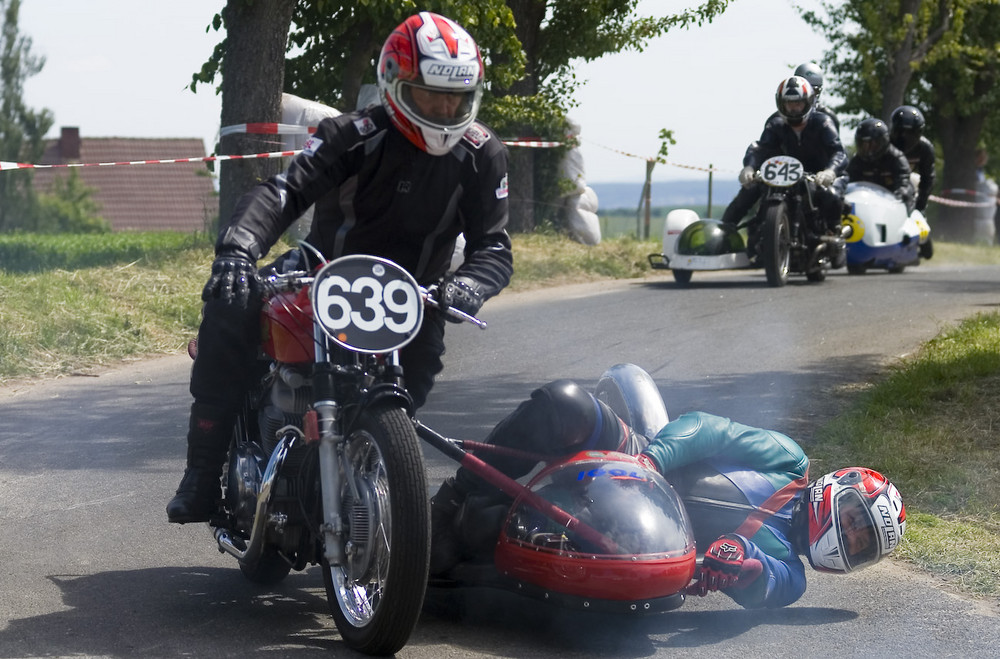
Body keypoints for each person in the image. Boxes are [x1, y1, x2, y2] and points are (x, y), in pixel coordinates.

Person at [166, 12, 514, 524]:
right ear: (395, 86)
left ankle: (366, 478)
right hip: (323, 271)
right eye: (429, 96)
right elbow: (284, 193)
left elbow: (494, 247)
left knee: (405, 399)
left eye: (455, 99)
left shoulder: (483, 155)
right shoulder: (352, 135)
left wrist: (468, 284)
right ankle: (201, 473)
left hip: (414, 295)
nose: (444, 110)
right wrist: (238, 250)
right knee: (229, 304)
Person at [430, 380, 906, 609]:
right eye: (855, 521)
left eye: (861, 544)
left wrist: (737, 561)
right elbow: (707, 429)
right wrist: (652, 462)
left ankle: (466, 555)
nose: (848, 536)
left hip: (646, 543)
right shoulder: (789, 460)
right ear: (837, 489)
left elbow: (765, 578)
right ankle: (448, 503)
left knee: (488, 530)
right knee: (565, 404)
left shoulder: (795, 580)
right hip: (640, 461)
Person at [721, 76, 848, 236]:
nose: (794, 108)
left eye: (798, 103)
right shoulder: (775, 124)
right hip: (786, 176)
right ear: (781, 104)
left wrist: (830, 171)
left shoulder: (823, 123)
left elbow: (838, 152)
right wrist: (749, 166)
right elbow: (760, 147)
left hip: (820, 175)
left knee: (830, 195)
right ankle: (723, 233)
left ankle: (833, 237)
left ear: (807, 102)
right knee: (750, 190)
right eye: (789, 104)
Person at [847, 118, 916, 215]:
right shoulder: (856, 161)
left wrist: (899, 195)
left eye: (872, 145)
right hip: (866, 205)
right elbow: (848, 183)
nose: (868, 150)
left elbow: (903, 182)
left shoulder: (896, 158)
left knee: (906, 193)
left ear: (883, 142)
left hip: (891, 206)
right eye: (863, 145)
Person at [889, 105, 936, 212]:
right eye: (900, 132)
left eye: (911, 134)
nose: (904, 137)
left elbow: (928, 179)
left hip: (907, 183)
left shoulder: (925, 148)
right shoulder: (884, 144)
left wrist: (920, 205)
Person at [793, 62, 841, 132]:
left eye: (813, 91)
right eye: (805, 92)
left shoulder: (828, 117)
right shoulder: (778, 119)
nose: (808, 97)